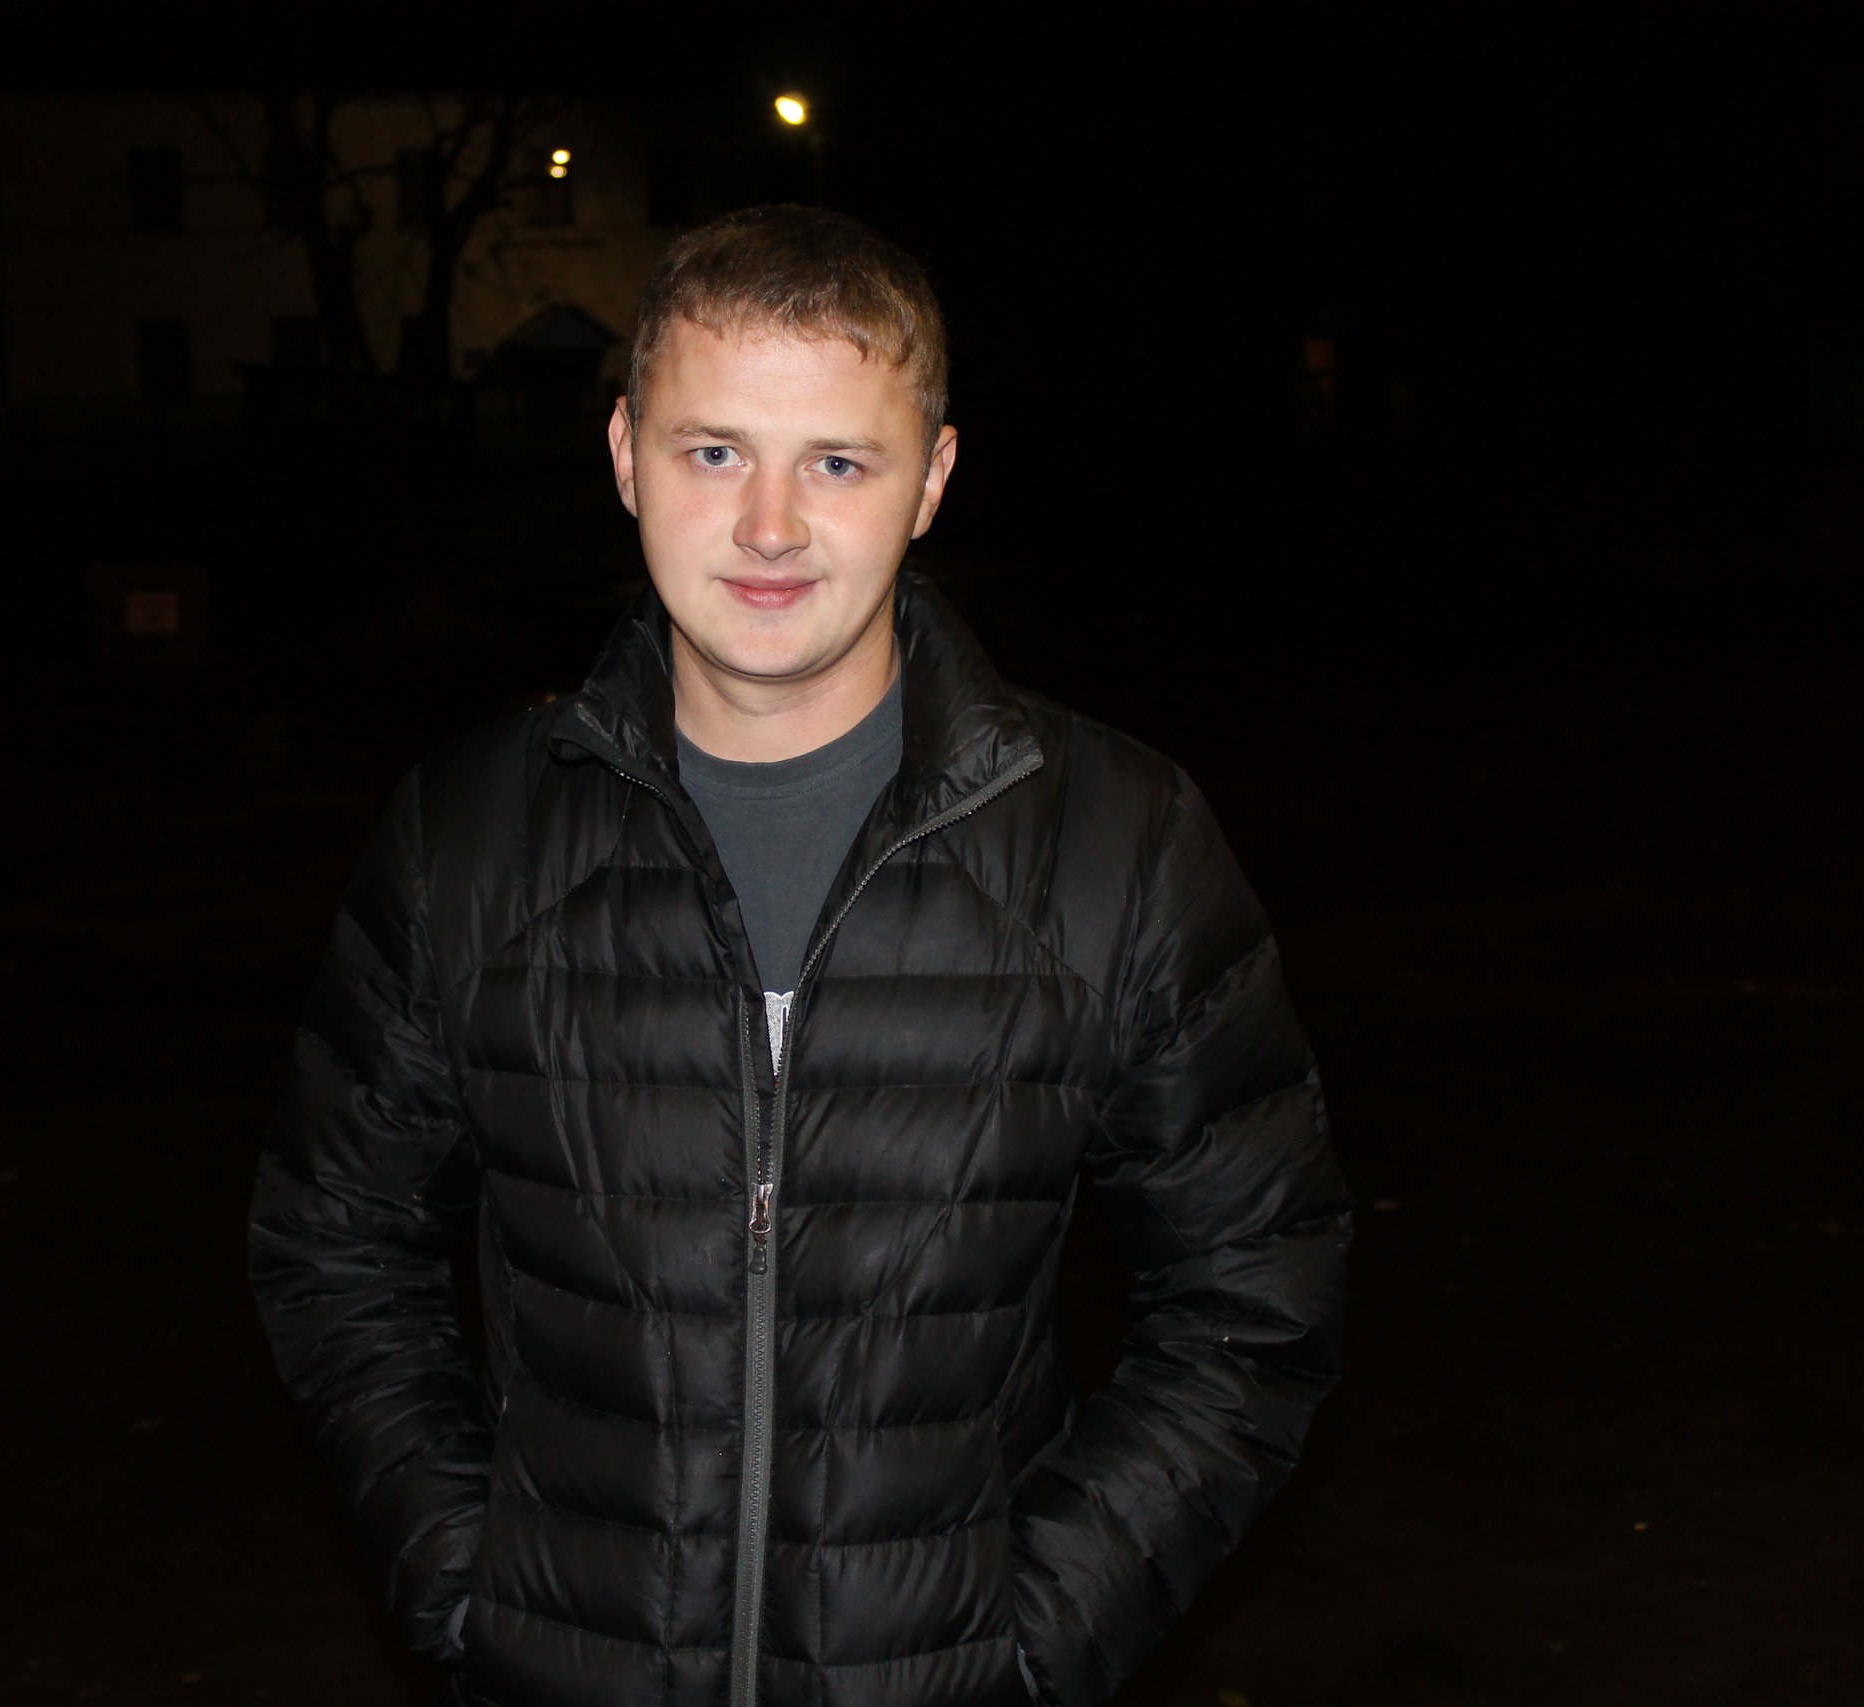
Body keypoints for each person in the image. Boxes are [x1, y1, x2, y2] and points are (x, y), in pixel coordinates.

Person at [250, 205, 1349, 1707]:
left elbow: (1256, 1286)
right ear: (625, 454)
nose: (770, 526)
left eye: (837, 461)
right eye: (715, 452)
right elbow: (336, 1242)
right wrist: (468, 1584)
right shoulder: (470, 836)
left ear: (932, 479)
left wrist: (1031, 1642)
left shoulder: (1119, 843)